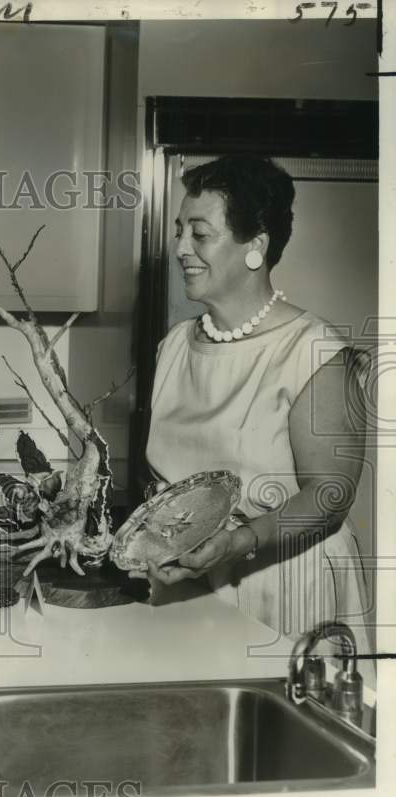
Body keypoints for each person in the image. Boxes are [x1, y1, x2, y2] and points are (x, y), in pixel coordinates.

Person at [137, 155, 373, 658]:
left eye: (199, 235)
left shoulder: (313, 350)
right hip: (194, 585)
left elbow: (330, 497)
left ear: (255, 247)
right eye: (180, 231)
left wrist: (238, 541)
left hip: (287, 591)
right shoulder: (174, 346)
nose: (179, 249)